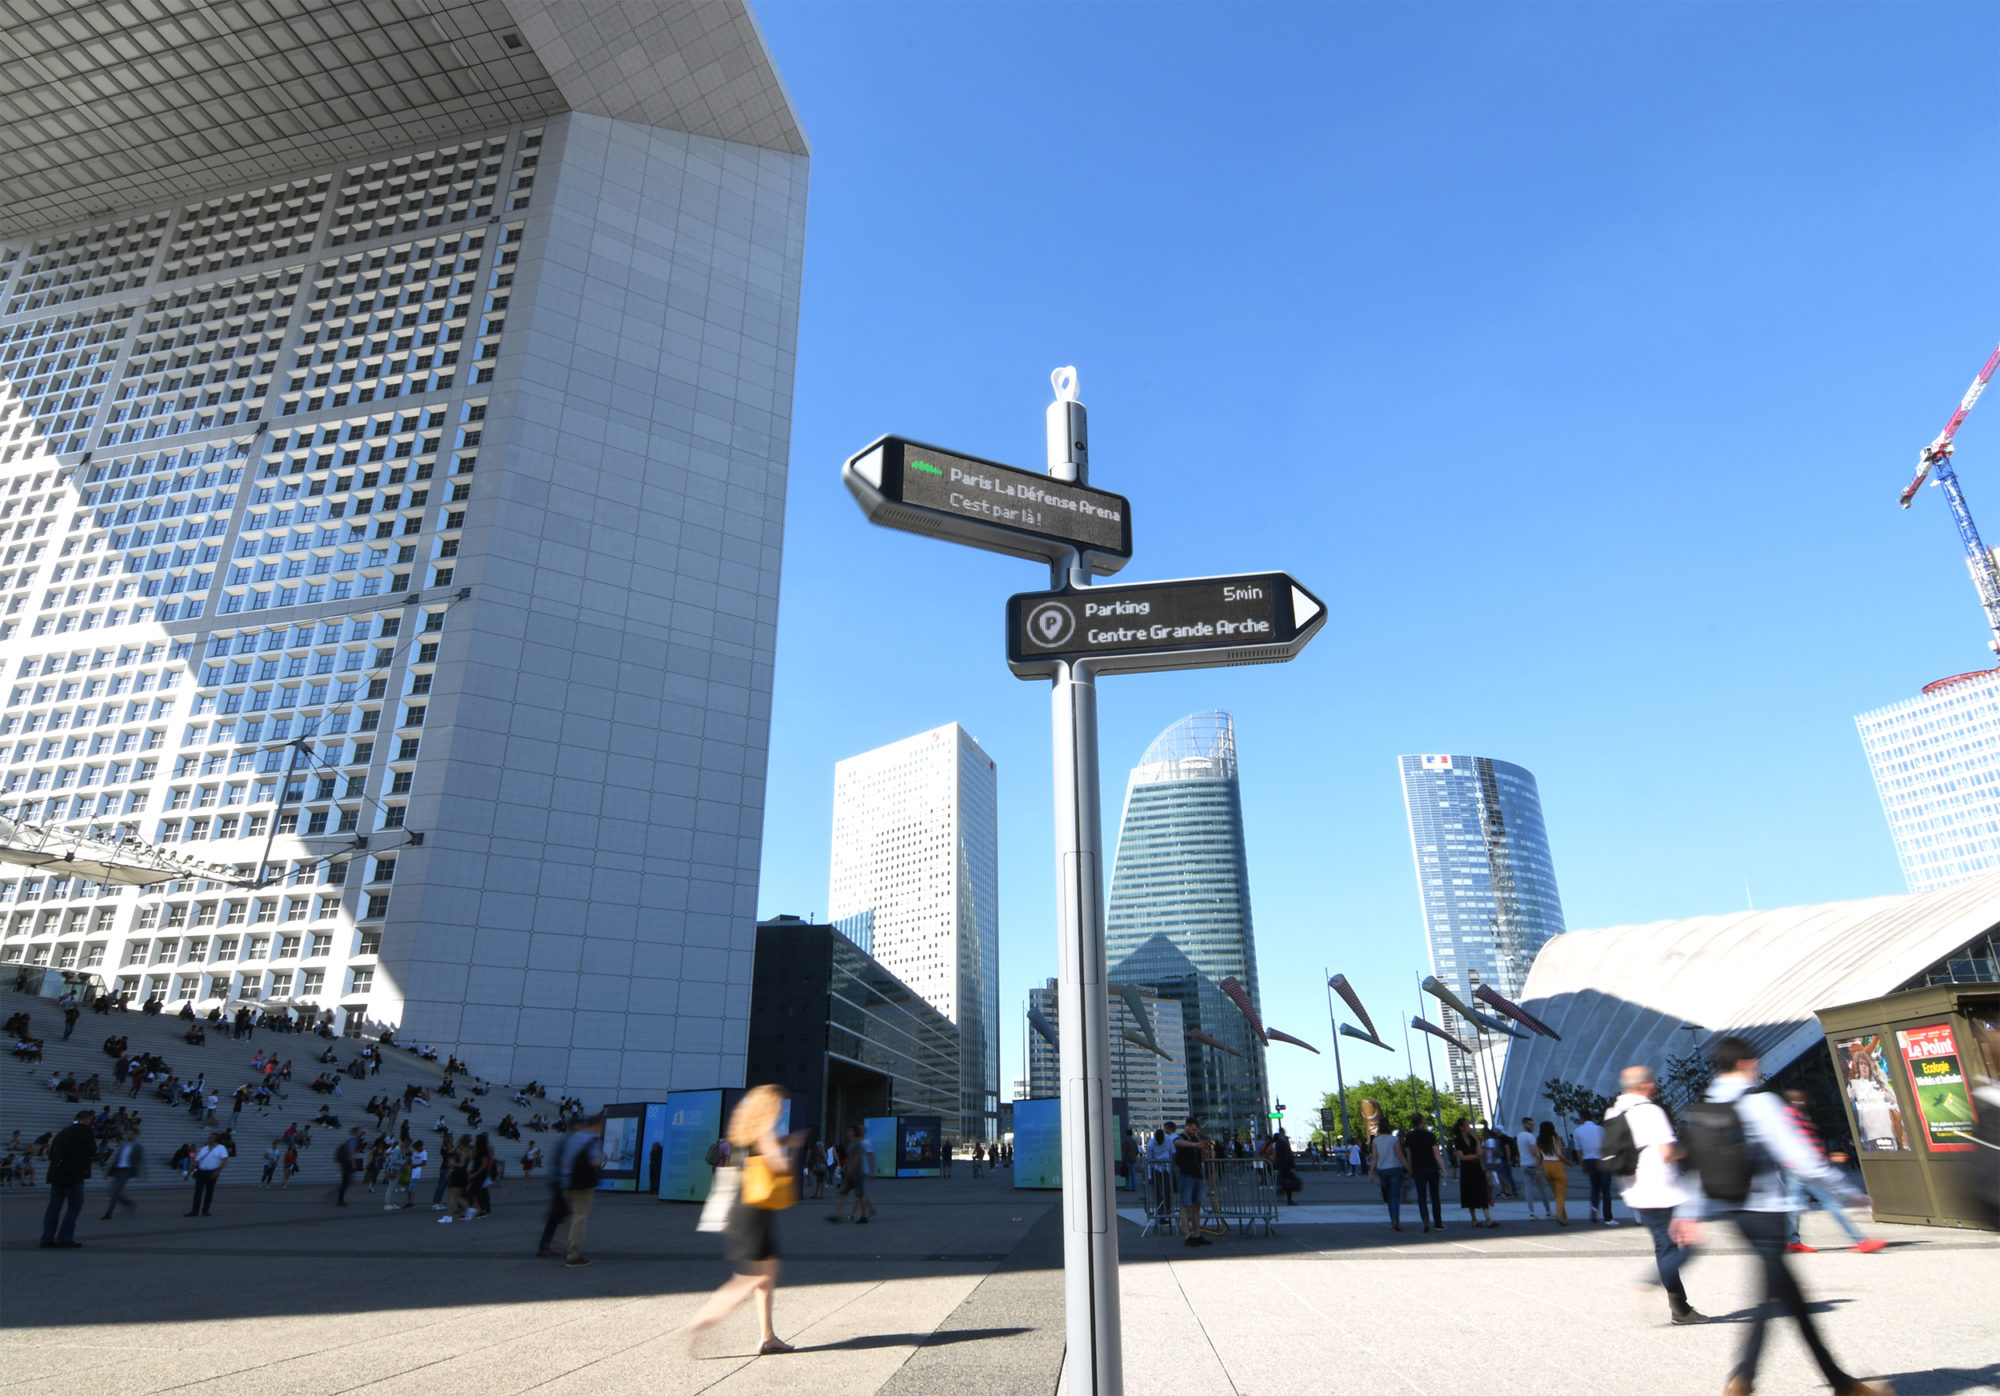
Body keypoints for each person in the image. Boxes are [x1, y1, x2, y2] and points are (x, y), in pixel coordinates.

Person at [1672, 1037, 1894, 1396]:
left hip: (1735, 1211)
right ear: (1746, 1063)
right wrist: (1849, 1191)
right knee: (1775, 1297)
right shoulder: (1761, 1103)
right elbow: (1803, 1160)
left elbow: (1695, 1167)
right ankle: (1742, 1379)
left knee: (1791, 1300)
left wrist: (1688, 1213)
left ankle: (1843, 1384)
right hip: (1767, 1212)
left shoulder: (1705, 1105)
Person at [686, 1085, 806, 1356]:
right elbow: (779, 1166)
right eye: (778, 1104)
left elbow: (760, 1151)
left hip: (745, 1204)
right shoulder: (764, 1129)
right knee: (753, 1277)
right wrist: (793, 1150)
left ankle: (768, 1336)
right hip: (756, 1208)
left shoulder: (744, 1130)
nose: (780, 1109)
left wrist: (783, 1142)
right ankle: (702, 1320)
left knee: (763, 1276)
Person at [1605, 1065, 1707, 1325]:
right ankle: (1652, 1283)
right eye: (1652, 1081)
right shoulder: (1650, 1111)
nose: (1655, 1085)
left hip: (1634, 1189)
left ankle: (1681, 1309)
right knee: (1690, 1245)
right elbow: (1667, 1152)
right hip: (1662, 1189)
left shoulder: (1614, 1111)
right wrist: (1690, 1149)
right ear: (1645, 1085)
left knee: (1665, 1246)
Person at [1781, 1089, 1884, 1254]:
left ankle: (1792, 1241)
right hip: (1805, 1167)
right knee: (1830, 1203)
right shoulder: (1792, 1115)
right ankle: (1859, 1239)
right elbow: (1802, 1142)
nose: (1803, 1100)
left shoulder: (1790, 1114)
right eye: (1800, 1097)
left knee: (1795, 1205)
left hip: (1797, 1167)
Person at [536, 1115, 605, 1265]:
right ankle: (573, 1255)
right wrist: (602, 1160)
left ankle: (557, 1243)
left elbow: (562, 1161)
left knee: (567, 1215)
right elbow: (594, 1161)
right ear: (598, 1125)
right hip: (583, 1184)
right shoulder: (592, 1140)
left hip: (566, 1182)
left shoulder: (571, 1139)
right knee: (579, 1217)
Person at [39, 1109, 95, 1248]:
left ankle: (47, 1238)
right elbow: (92, 1150)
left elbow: (52, 1154)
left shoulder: (62, 1132)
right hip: (73, 1175)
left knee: (54, 1207)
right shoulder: (85, 1131)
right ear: (86, 1119)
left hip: (56, 1174)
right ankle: (64, 1237)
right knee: (74, 1206)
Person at [1574, 1109, 1619, 1225]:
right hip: (1602, 1160)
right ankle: (1608, 1218)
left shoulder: (1577, 1131)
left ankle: (1594, 1207)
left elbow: (1578, 1151)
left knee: (1594, 1187)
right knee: (1606, 1190)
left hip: (1589, 1161)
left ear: (1582, 1118)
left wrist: (1582, 1165)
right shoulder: (1600, 1130)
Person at [1173, 1116, 1212, 1246]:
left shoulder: (1195, 1138)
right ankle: (1187, 1236)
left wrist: (1203, 1151)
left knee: (1196, 1206)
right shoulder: (1180, 1138)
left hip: (1197, 1174)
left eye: (1196, 1130)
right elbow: (1178, 1143)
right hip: (1186, 1174)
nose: (1194, 1132)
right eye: (1193, 1129)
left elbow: (1201, 1158)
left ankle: (1197, 1234)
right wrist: (1196, 1145)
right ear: (1187, 1126)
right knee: (1186, 1206)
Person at [1451, 1119, 1496, 1227]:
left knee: (1482, 1190)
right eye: (1466, 1126)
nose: (1469, 1127)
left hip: (1476, 1167)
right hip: (1467, 1169)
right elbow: (1461, 1156)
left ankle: (1488, 1218)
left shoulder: (1472, 1139)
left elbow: (1480, 1152)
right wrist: (1475, 1156)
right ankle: (1474, 1219)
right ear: (1461, 1127)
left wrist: (1475, 1137)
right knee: (1469, 1192)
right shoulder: (1458, 1140)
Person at [1403, 1113, 1444, 1232]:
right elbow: (1436, 1153)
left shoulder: (1409, 1136)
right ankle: (1438, 1222)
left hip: (1418, 1168)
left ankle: (1425, 1220)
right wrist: (1443, 1169)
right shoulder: (1430, 1135)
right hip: (1431, 1166)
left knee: (1422, 1196)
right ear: (1422, 1122)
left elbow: (1409, 1155)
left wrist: (1410, 1168)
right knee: (1435, 1196)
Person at [1367, 1117, 1408, 1231]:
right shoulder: (1394, 1139)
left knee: (1389, 1196)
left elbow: (1374, 1157)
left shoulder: (1376, 1141)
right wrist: (1408, 1167)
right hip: (1395, 1169)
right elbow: (1400, 1155)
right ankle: (1396, 1219)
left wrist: (1371, 1172)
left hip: (1382, 1170)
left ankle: (1392, 1219)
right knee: (1395, 1196)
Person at [100, 1127, 144, 1220]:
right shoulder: (123, 1145)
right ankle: (128, 1203)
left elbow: (140, 1161)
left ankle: (109, 1213)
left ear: (136, 1135)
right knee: (111, 1192)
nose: (129, 1135)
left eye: (131, 1134)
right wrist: (107, 1172)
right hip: (117, 1170)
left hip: (126, 1171)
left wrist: (140, 1174)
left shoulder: (138, 1147)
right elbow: (115, 1159)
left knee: (115, 1192)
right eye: (128, 1133)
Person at [1516, 1117, 1554, 1219]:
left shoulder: (1519, 1136)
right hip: (1533, 1165)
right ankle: (1548, 1211)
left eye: (1533, 1124)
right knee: (1542, 1189)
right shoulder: (1530, 1137)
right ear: (1524, 1124)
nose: (1532, 1126)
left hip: (1523, 1164)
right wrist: (1537, 1169)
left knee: (1528, 1189)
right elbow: (1536, 1154)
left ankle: (1531, 1212)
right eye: (1530, 1124)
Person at [1536, 1120, 1571, 1225]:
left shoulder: (1539, 1140)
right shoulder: (1555, 1138)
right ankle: (1559, 1214)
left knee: (1556, 1193)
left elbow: (1538, 1156)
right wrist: (1567, 1162)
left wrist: (1537, 1169)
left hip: (1546, 1166)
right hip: (1557, 1165)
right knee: (1561, 1192)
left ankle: (1564, 1217)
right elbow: (1559, 1154)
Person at [186, 1132, 229, 1216]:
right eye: (209, 1137)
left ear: (216, 1139)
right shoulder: (204, 1148)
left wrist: (218, 1171)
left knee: (209, 1192)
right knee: (197, 1192)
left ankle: (205, 1210)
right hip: (201, 1172)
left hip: (212, 1172)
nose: (209, 1139)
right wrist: (188, 1173)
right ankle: (194, 1211)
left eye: (211, 1138)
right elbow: (196, 1162)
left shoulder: (221, 1148)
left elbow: (225, 1160)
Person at [335, 1127, 365, 1207]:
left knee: (346, 1181)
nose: (360, 1133)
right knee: (346, 1182)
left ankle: (340, 1199)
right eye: (359, 1132)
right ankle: (339, 1199)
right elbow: (351, 1152)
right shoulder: (353, 1140)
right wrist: (353, 1164)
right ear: (355, 1133)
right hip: (347, 1163)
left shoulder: (352, 1140)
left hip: (346, 1162)